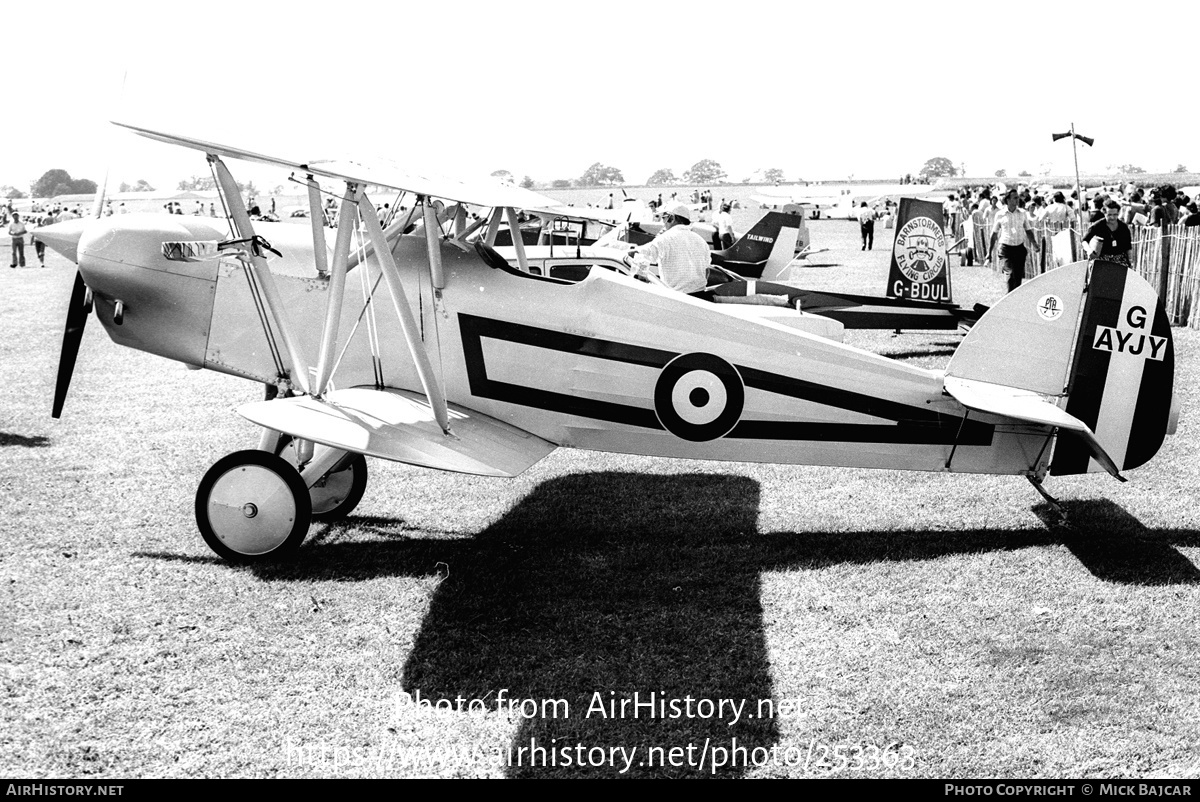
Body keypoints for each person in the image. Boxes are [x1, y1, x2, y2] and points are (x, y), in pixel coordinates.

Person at [628, 202, 710, 295]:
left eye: (664, 217)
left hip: (676, 297)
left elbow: (638, 253)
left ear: (672, 218)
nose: (663, 222)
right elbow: (707, 271)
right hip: (701, 296)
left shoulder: (664, 239)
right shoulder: (701, 241)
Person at [987, 189, 1038, 293]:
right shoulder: (1000, 214)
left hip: (1019, 249)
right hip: (1006, 249)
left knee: (1018, 278)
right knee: (1010, 275)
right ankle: (1008, 300)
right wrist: (989, 252)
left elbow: (1028, 230)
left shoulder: (1022, 213)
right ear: (1008, 200)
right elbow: (994, 234)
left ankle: (1015, 301)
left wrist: (1035, 244)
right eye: (1015, 198)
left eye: (1018, 197)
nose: (1017, 199)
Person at [1084, 200, 1133, 266]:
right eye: (1109, 215)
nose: (1112, 217)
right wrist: (1089, 250)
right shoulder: (1098, 225)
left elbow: (1128, 246)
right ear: (1104, 213)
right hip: (1102, 260)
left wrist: (1130, 261)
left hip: (1120, 261)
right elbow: (1084, 240)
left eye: (1115, 215)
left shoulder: (1123, 227)